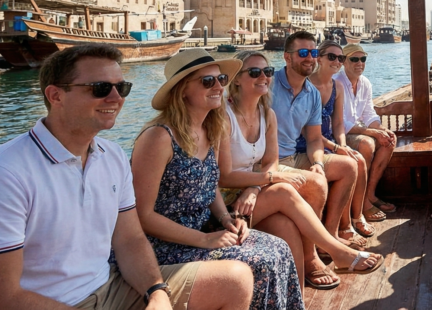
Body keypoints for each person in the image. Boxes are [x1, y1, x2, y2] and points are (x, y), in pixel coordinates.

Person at [0, 44, 254, 310]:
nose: (115, 98)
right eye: (100, 88)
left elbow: (130, 239)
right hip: (41, 303)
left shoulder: (111, 157)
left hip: (108, 289)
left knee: (235, 280)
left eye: (121, 88)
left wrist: (157, 292)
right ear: (56, 95)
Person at [132, 49, 302, 310]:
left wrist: (227, 220)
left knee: (279, 248)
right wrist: (205, 240)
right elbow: (142, 216)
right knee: (260, 261)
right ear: (182, 90)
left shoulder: (209, 128)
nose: (218, 87)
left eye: (221, 79)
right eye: (207, 81)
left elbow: (209, 188)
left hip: (206, 228)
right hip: (167, 244)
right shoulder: (159, 137)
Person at [218, 50, 382, 292]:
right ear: (237, 79)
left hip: (252, 193)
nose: (263, 77)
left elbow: (270, 162)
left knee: (289, 228)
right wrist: (273, 178)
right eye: (254, 72)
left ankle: (309, 271)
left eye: (267, 72)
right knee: (287, 188)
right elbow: (223, 177)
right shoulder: (223, 116)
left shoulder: (267, 114)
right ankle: (337, 251)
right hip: (226, 203)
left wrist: (255, 187)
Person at [272, 31, 363, 250]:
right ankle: (314, 250)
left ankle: (330, 234)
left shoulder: (311, 92)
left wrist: (318, 164)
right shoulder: (268, 85)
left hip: (295, 156)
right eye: (303, 53)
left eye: (313, 52)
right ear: (287, 57)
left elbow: (313, 138)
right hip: (270, 162)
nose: (309, 58)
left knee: (349, 166)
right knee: (317, 183)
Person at [306, 42, 380, 241]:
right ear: (318, 58)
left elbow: (338, 123)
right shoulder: (308, 85)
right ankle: (344, 225)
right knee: (351, 163)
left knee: (357, 159)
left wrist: (343, 146)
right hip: (312, 143)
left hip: (330, 139)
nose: (337, 62)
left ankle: (357, 216)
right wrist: (336, 147)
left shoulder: (335, 85)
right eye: (332, 57)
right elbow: (306, 131)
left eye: (339, 58)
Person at [336, 44, 398, 220]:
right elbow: (341, 122)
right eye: (354, 59)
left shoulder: (365, 83)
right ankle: (362, 202)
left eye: (363, 59)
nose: (359, 63)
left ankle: (369, 194)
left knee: (389, 139)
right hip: (339, 134)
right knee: (367, 143)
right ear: (343, 62)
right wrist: (372, 133)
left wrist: (381, 130)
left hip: (356, 131)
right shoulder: (337, 83)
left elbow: (369, 113)